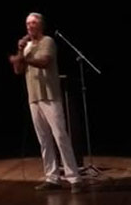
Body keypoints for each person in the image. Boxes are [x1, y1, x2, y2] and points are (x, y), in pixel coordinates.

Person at [9, 12, 83, 193]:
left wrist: (23, 58)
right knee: (44, 139)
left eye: (33, 23)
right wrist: (20, 51)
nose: (29, 26)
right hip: (34, 97)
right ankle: (52, 177)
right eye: (27, 23)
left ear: (40, 25)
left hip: (50, 96)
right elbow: (18, 70)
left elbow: (44, 62)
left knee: (60, 136)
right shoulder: (26, 47)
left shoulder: (48, 41)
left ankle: (74, 178)